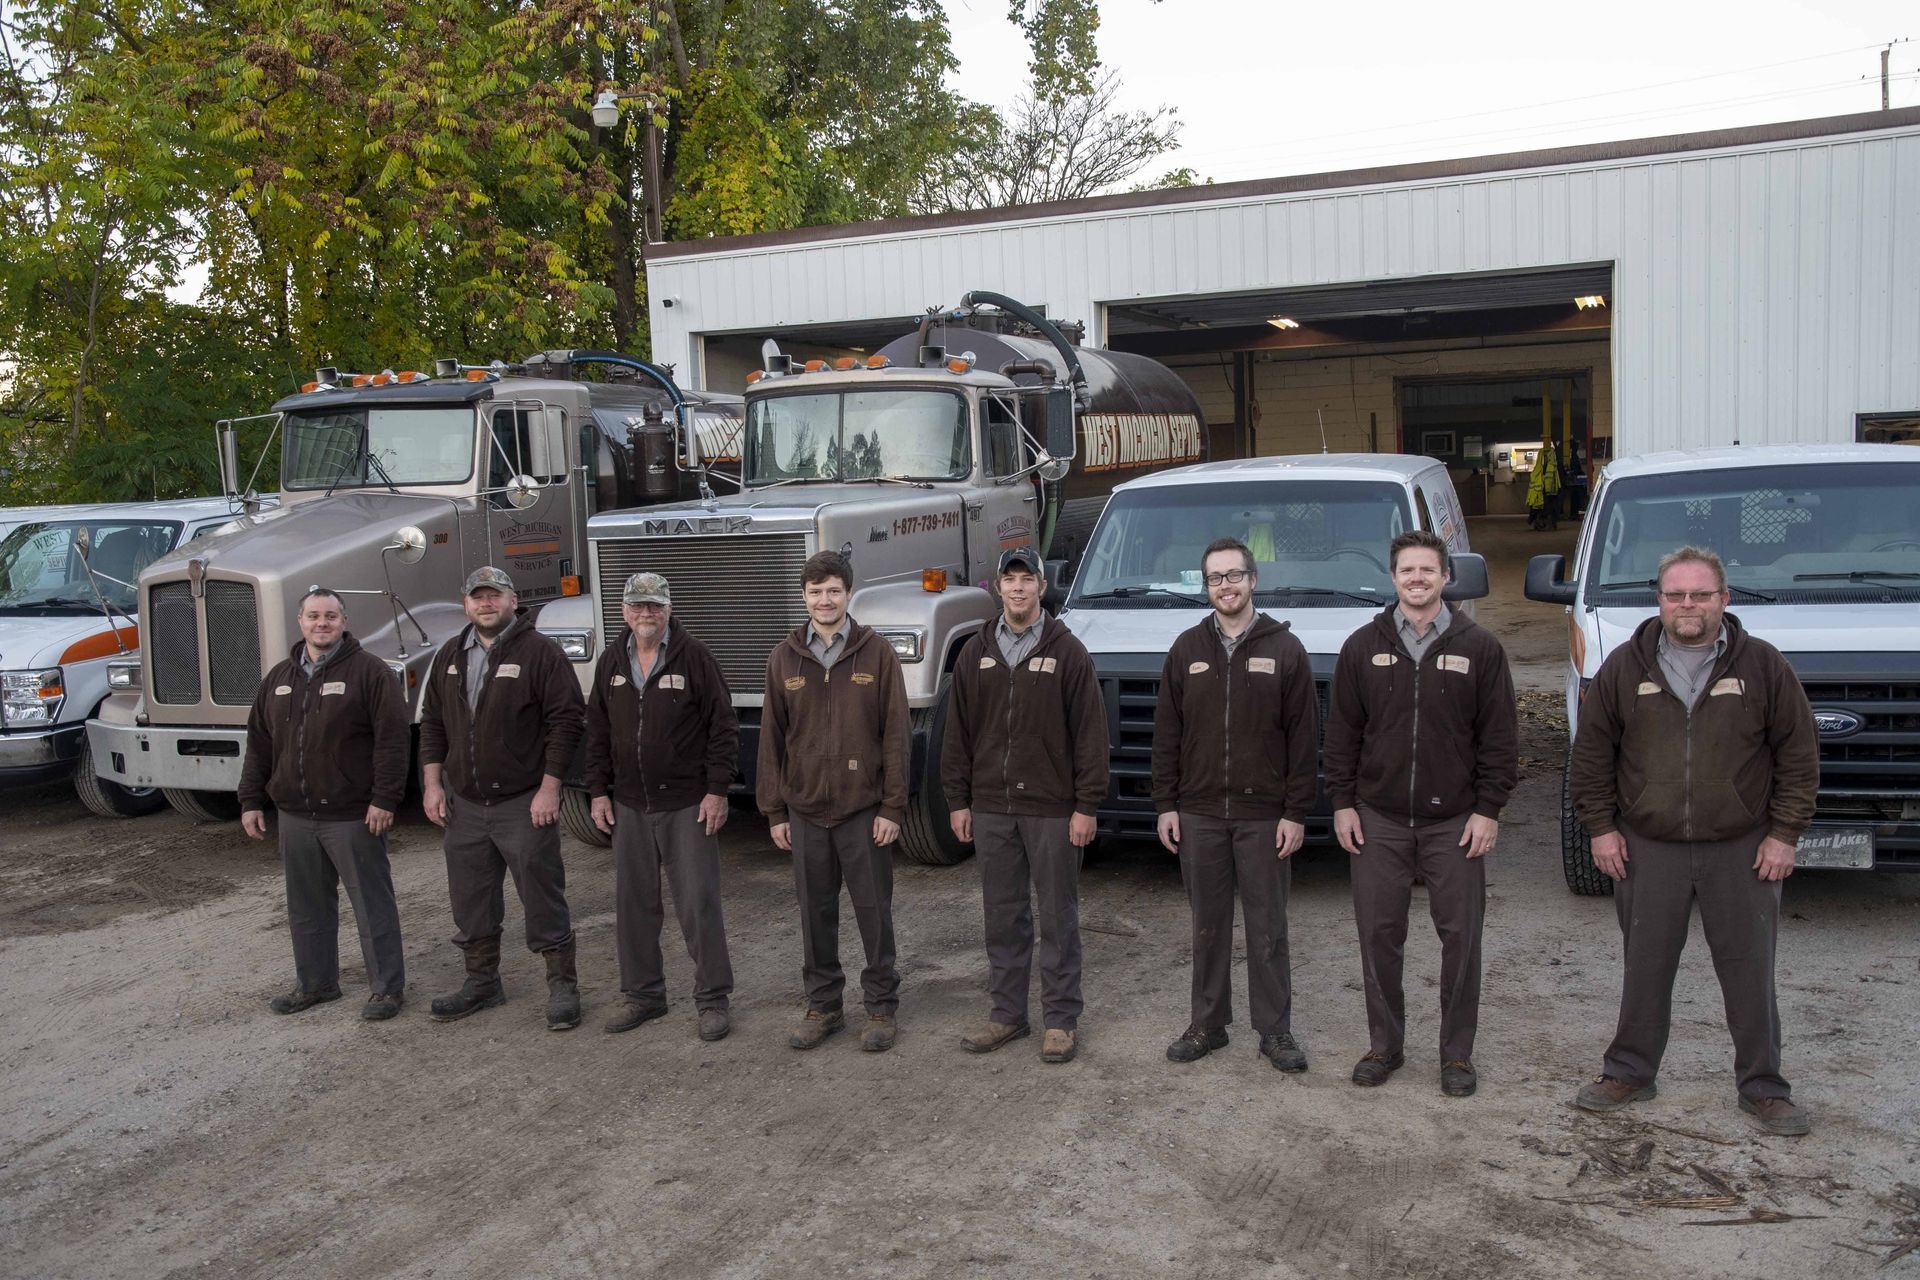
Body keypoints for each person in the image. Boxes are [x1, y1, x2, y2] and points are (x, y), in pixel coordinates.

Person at [1568, 546, 1820, 1136]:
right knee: (1646, 966)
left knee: (1749, 970)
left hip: (1742, 847)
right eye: (1675, 593)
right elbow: (1590, 758)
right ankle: (1629, 1071)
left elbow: (1799, 758)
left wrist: (1784, 835)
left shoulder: (1763, 667)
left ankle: (1762, 1086)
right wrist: (1602, 829)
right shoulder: (1624, 669)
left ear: (1723, 600)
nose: (1687, 605)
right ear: (1658, 599)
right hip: (1647, 847)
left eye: (1700, 594)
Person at [1323, 531, 1518, 1096]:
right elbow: (1341, 737)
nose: (1416, 579)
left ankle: (1456, 1055)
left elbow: (1500, 739)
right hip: (1379, 818)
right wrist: (1342, 804)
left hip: (1454, 822)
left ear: (1445, 577)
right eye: (1407, 570)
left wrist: (1488, 810)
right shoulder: (1363, 646)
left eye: (1427, 570)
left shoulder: (1479, 647)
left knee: (1460, 939)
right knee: (1379, 935)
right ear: (1393, 577)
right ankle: (1385, 1046)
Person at [1151, 537, 1319, 1071]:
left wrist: (1295, 812)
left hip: (1264, 816)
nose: (1225, 585)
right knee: (1208, 925)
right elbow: (1166, 735)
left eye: (1234, 575)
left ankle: (1276, 1032)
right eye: (1215, 578)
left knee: (1268, 928)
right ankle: (1207, 1025)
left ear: (1253, 580)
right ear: (1206, 587)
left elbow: (1303, 740)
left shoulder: (1284, 649)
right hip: (1199, 813)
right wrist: (1166, 804)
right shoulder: (1185, 650)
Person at [943, 546, 1108, 1065]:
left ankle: (1060, 1020)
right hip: (992, 807)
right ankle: (1007, 1015)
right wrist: (958, 800)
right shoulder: (976, 651)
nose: (1018, 589)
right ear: (998, 588)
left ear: (1042, 586)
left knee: (1057, 916)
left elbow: (1090, 735)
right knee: (1003, 915)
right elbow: (958, 735)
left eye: (1027, 580)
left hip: (1053, 809)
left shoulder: (1069, 652)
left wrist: (1086, 805)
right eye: (1009, 580)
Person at [418, 567, 586, 1031]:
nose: (486, 604)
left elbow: (566, 724)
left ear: (513, 600)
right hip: (465, 805)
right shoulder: (450, 654)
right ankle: (482, 983)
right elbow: (432, 722)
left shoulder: (541, 653)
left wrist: (550, 788)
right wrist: (433, 785)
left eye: (495, 596)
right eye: (478, 597)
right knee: (470, 898)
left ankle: (563, 987)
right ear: (466, 603)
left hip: (523, 802)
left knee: (541, 893)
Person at [757, 551, 910, 1053]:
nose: (825, 600)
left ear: (848, 594)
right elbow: (771, 740)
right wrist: (775, 810)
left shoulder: (877, 653)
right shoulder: (784, 657)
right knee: (814, 914)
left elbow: (896, 736)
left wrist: (892, 807)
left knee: (873, 912)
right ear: (804, 597)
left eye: (833, 591)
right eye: (815, 591)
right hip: (804, 811)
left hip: (862, 810)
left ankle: (881, 1006)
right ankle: (823, 1006)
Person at [240, 587, 410, 1021]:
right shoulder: (278, 679)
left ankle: (387, 989)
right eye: (314, 616)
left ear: (344, 621)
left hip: (352, 815)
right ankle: (316, 984)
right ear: (300, 622)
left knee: (372, 905)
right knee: (306, 907)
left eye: (330, 616)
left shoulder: (371, 674)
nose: (322, 624)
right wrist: (251, 800)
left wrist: (384, 798)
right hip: (295, 816)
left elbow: (393, 742)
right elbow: (259, 746)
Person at [584, 572, 739, 1041]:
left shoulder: (695, 657)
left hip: (686, 805)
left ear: (668, 609)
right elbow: (597, 732)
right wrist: (596, 791)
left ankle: (712, 1000)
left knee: (697, 904)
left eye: (654, 606)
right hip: (629, 804)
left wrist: (717, 790)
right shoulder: (612, 660)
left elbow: (723, 727)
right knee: (634, 906)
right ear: (625, 612)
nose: (646, 614)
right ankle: (643, 996)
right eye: (637, 606)